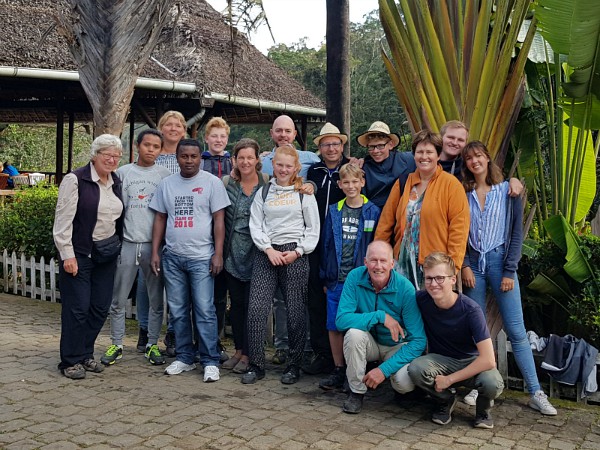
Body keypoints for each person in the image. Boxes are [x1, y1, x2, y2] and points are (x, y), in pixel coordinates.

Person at [460, 141, 557, 415]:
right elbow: (458, 231)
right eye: (469, 158)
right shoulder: (463, 192)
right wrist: (465, 264)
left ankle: (535, 391)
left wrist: (509, 270)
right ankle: (481, 385)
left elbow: (516, 233)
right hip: (474, 265)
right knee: (477, 330)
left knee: (516, 329)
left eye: (478, 156)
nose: (474, 161)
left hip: (499, 260)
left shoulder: (507, 191)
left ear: (488, 158)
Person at [150, 139, 230, 382]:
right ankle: (184, 357)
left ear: (199, 158)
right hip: (173, 257)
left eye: (193, 156)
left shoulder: (212, 183)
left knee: (205, 310)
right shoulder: (167, 184)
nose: (189, 160)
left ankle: (210, 360)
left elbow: (219, 220)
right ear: (177, 157)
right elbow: (161, 219)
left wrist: (218, 253)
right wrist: (155, 251)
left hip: (202, 257)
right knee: (178, 311)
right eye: (184, 156)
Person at [242, 146, 320, 385]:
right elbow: (256, 224)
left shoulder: (304, 193)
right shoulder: (264, 192)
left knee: (295, 312)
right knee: (256, 310)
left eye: (289, 166)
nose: (284, 169)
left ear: (296, 168)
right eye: (279, 165)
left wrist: (297, 251)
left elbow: (313, 228)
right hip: (267, 253)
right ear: (272, 165)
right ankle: (256, 365)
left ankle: (294, 365)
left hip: (295, 254)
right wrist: (268, 249)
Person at [53, 134, 124, 379]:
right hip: (80, 253)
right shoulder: (76, 180)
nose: (112, 159)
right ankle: (69, 360)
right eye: (107, 155)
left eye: (116, 156)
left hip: (106, 254)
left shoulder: (116, 181)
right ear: (95, 155)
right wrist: (67, 255)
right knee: (78, 309)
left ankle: (85, 354)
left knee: (99, 307)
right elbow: (62, 223)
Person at [408, 252, 504, 428]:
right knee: (416, 368)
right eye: (429, 278)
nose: (433, 284)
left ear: (453, 280)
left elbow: (489, 360)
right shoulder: (421, 299)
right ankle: (444, 400)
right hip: (441, 360)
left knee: (492, 383)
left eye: (439, 278)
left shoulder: (471, 310)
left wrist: (449, 380)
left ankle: (483, 411)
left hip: (472, 361)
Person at [100, 130, 171, 367]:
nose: (150, 150)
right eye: (147, 145)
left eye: (156, 147)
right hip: (127, 244)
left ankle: (152, 343)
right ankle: (116, 344)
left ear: (161, 150)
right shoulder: (122, 174)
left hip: (154, 246)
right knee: (118, 298)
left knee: (155, 300)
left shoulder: (165, 176)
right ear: (137, 146)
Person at [336, 240, 426, 414]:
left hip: (396, 345)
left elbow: (419, 340)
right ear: (365, 262)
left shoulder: (405, 289)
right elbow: (341, 320)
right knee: (353, 335)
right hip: (370, 341)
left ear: (392, 263)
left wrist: (383, 370)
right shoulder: (355, 277)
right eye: (373, 260)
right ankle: (356, 392)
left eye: (383, 261)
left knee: (403, 382)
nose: (378, 266)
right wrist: (380, 316)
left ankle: (401, 391)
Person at [375, 129, 469, 288]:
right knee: (402, 311)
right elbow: (385, 223)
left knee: (432, 312)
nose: (424, 156)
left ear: (438, 155)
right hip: (401, 266)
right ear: (414, 155)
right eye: (420, 152)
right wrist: (379, 259)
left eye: (429, 152)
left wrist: (452, 268)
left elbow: (459, 230)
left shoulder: (451, 185)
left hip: (435, 270)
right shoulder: (404, 182)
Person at [261, 115, 320, 366]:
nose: (284, 135)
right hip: (272, 240)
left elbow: (324, 176)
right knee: (279, 299)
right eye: (279, 131)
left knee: (300, 297)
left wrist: (312, 186)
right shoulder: (264, 162)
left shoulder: (311, 158)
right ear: (272, 134)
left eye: (288, 131)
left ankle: (304, 345)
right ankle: (283, 345)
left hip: (303, 237)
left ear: (295, 134)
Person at [318, 164, 381, 391]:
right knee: (334, 324)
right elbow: (326, 244)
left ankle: (355, 372)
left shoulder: (372, 211)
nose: (351, 186)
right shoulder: (334, 210)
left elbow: (376, 245)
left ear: (362, 182)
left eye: (355, 181)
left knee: (356, 326)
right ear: (340, 185)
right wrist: (325, 276)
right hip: (336, 278)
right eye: (346, 182)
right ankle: (338, 368)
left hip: (360, 280)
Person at [303, 122, 350, 376]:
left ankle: (347, 356)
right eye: (326, 144)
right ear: (319, 148)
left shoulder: (350, 169)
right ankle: (323, 353)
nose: (331, 148)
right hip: (315, 243)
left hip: (343, 244)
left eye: (335, 143)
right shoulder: (314, 171)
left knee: (344, 297)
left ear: (342, 146)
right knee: (316, 299)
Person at [221, 138, 270, 374]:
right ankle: (239, 350)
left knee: (254, 307)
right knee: (237, 306)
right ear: (234, 160)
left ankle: (251, 354)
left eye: (250, 157)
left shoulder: (267, 184)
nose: (246, 161)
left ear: (257, 160)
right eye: (241, 158)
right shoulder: (226, 183)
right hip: (233, 254)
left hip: (259, 254)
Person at [146, 111, 187, 357]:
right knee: (148, 285)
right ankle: (146, 331)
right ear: (161, 129)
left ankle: (172, 333)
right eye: (168, 124)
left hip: (180, 227)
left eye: (178, 125)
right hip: (153, 224)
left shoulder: (189, 156)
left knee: (176, 288)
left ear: (184, 130)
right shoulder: (152, 157)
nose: (173, 128)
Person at [201, 116, 233, 364]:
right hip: (202, 234)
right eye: (214, 136)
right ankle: (198, 340)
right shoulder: (198, 162)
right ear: (206, 138)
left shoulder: (234, 161)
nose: (219, 140)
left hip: (228, 233)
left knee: (220, 295)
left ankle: (217, 339)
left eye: (223, 136)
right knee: (202, 294)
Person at [356, 121, 416, 209]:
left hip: (404, 213)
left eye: (380, 146)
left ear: (390, 145)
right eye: (371, 147)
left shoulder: (409, 160)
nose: (375, 151)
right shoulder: (363, 168)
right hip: (376, 216)